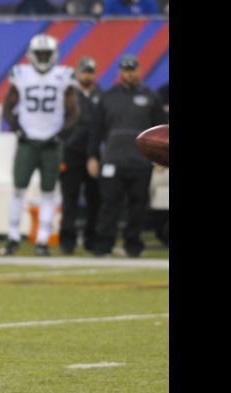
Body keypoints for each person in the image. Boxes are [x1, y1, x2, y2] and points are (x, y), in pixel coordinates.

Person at [0, 33, 79, 257]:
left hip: (52, 143)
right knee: (18, 189)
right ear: (31, 55)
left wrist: (62, 133)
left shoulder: (63, 75)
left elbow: (74, 112)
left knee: (49, 192)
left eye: (46, 54)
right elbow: (8, 107)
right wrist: (17, 129)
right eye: (39, 54)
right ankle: (13, 236)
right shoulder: (21, 74)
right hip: (28, 141)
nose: (43, 57)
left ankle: (42, 240)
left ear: (54, 55)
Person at [87, 54, 168, 257]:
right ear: (119, 72)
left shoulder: (150, 97)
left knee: (138, 207)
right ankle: (103, 245)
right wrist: (92, 156)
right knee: (109, 205)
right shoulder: (108, 97)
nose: (129, 73)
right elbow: (96, 130)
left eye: (132, 69)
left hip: (140, 161)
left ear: (138, 71)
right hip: (112, 160)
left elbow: (163, 130)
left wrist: (162, 158)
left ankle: (133, 246)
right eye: (125, 69)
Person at [59, 57, 103, 255]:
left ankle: (90, 240)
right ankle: (67, 241)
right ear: (77, 73)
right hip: (72, 152)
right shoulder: (68, 94)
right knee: (70, 198)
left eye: (90, 71)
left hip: (94, 152)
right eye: (84, 71)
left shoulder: (100, 94)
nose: (87, 75)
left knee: (95, 198)